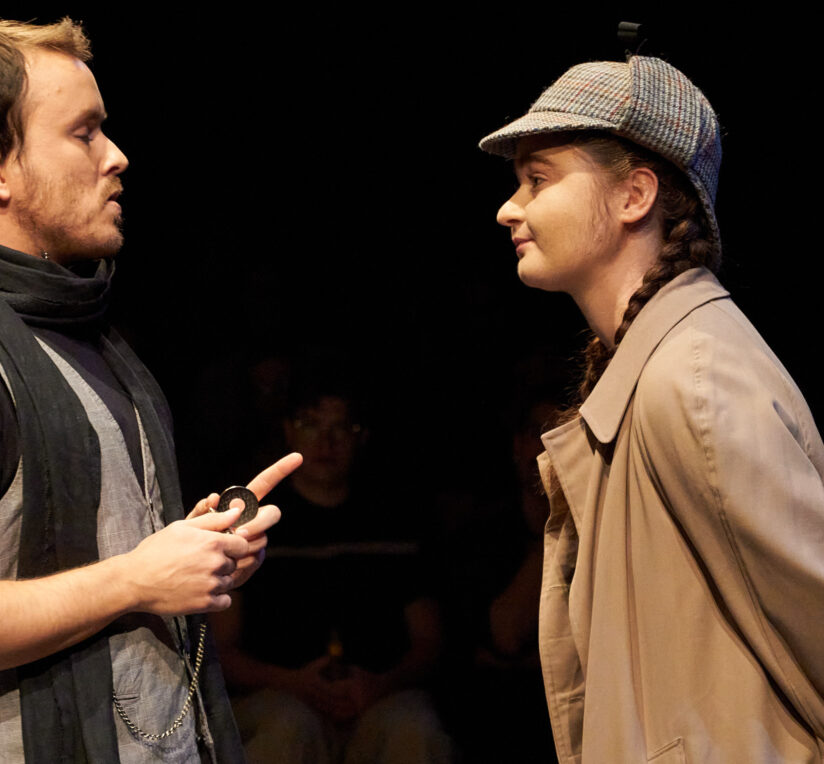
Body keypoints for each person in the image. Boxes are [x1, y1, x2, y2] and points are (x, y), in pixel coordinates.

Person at [0, 19, 301, 763]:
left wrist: (188, 549)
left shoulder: (81, 332)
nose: (116, 156)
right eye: (84, 133)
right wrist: (137, 578)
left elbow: (81, 556)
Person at [478, 56, 824, 761]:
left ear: (635, 194)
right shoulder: (653, 368)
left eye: (538, 179)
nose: (509, 208)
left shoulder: (692, 379)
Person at [210, 382, 452, 764]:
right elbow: (221, 649)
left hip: (377, 696)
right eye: (311, 424)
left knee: (415, 727)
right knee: (287, 727)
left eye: (341, 427)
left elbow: (429, 640)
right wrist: (290, 682)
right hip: (279, 696)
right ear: (289, 429)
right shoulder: (257, 524)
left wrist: (379, 684)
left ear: (361, 436)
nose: (327, 441)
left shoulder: (394, 521)